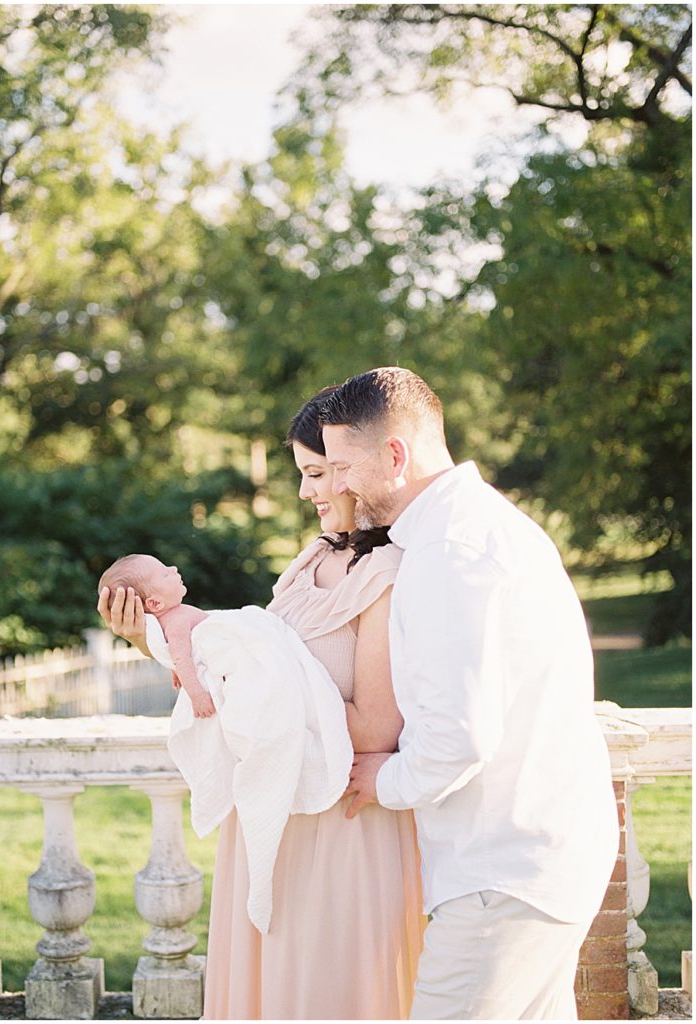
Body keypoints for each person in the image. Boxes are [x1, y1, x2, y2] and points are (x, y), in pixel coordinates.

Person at [97, 387, 424, 1020]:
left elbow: (378, 727)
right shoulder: (310, 561)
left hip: (340, 828)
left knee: (329, 996)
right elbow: (243, 675)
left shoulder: (387, 578)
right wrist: (153, 640)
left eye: (317, 473)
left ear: (362, 465)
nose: (307, 492)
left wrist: (262, 711)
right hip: (269, 818)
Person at [320, 366, 620, 1021]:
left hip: (501, 872)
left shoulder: (451, 550)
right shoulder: (468, 528)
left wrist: (382, 781)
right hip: (534, 858)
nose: (334, 484)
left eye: (343, 465)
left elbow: (459, 737)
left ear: (394, 456)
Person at [98, 554, 215, 717]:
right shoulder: (176, 623)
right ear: (155, 603)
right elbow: (182, 659)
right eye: (165, 574)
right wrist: (198, 696)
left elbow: (182, 650)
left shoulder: (175, 616)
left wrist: (174, 668)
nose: (174, 568)